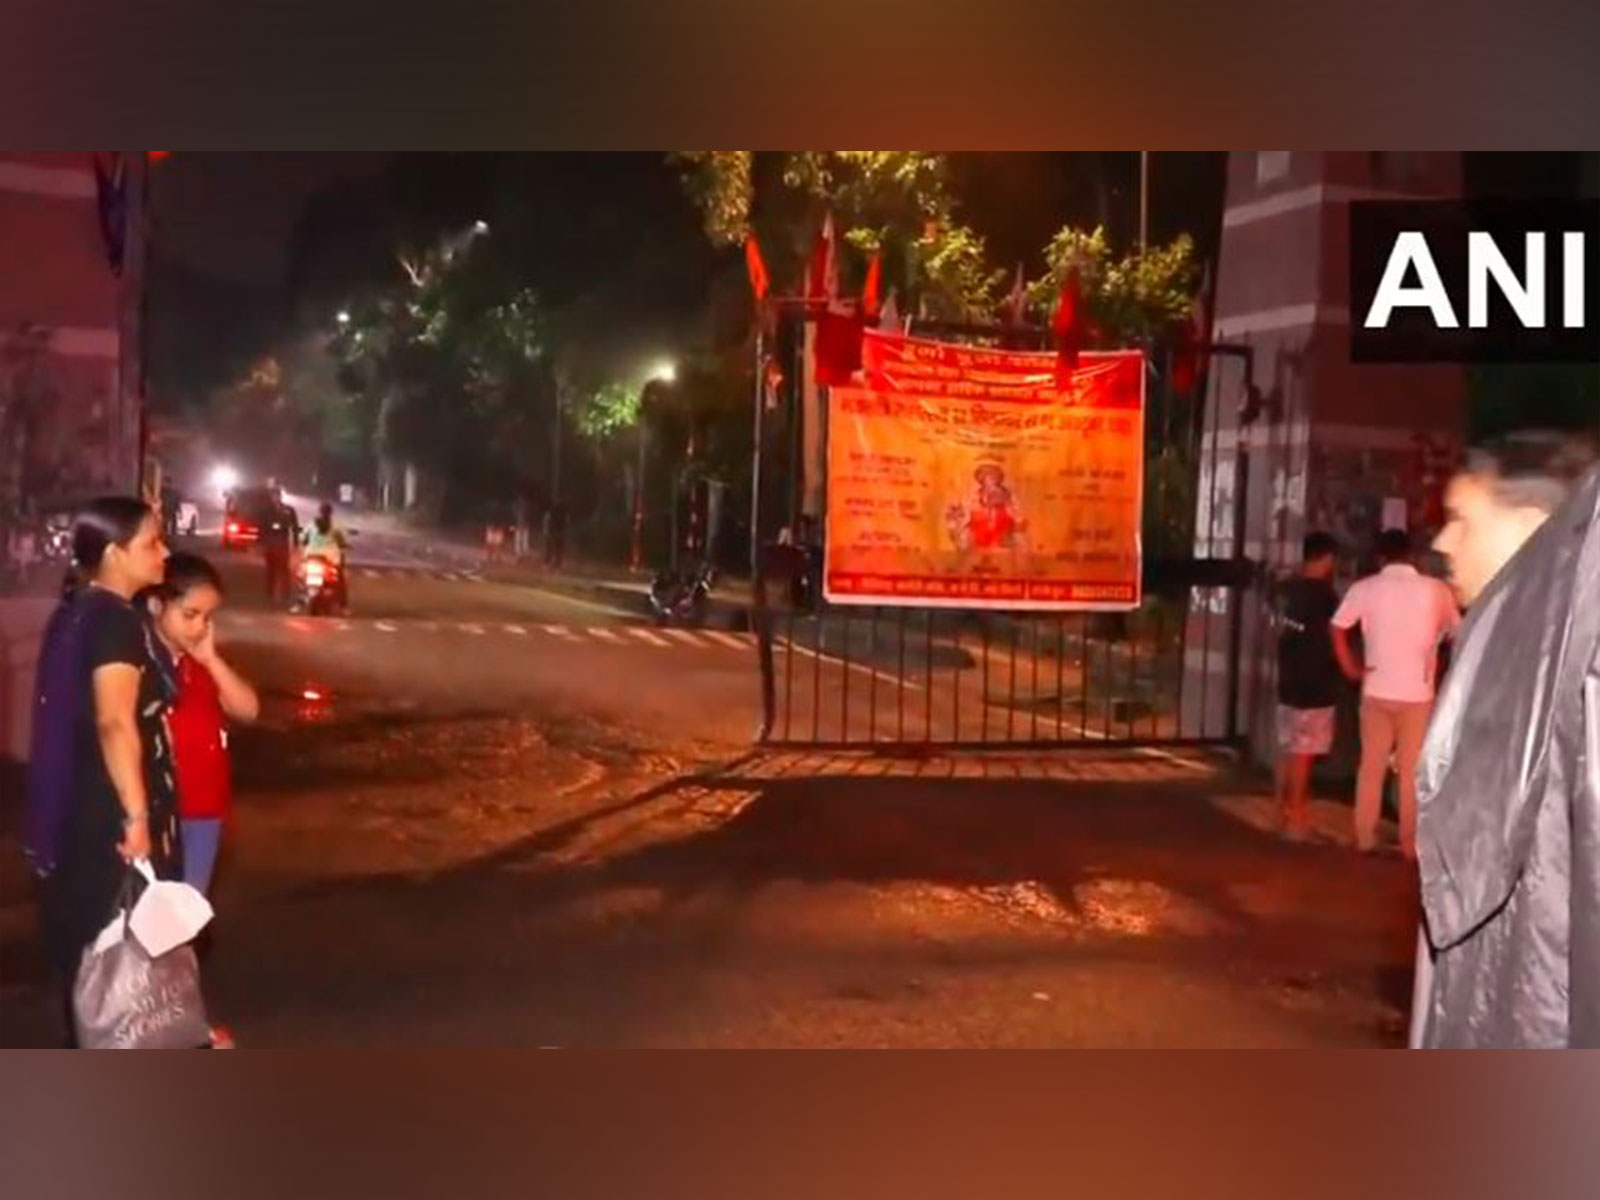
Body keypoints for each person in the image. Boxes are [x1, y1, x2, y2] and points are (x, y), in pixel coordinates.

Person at [1410, 430, 1600, 1048]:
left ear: (1536, 526)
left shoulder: (1578, 673)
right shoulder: (1503, 657)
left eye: (1463, 520)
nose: (1442, 543)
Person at [26, 497, 178, 1046]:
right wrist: (137, 817)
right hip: (108, 816)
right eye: (152, 544)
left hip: (78, 809)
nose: (165, 553)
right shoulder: (114, 621)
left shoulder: (78, 612)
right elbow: (116, 723)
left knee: (91, 966)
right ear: (115, 554)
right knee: (114, 965)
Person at [1330, 528, 1460, 859]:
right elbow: (1456, 633)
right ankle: (1408, 843)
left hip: (1376, 688)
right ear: (1413, 556)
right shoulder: (1436, 590)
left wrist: (1350, 668)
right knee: (1410, 771)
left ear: (1379, 557)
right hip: (1418, 693)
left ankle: (1364, 837)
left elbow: (1337, 627)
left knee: (1371, 767)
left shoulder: (1365, 588)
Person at [143, 553, 260, 897]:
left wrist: (210, 659)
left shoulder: (201, 665)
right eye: (189, 615)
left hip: (204, 812)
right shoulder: (141, 663)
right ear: (156, 606)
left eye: (207, 617)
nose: (198, 627)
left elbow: (248, 709)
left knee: (186, 914)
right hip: (159, 814)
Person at [1273, 532, 1342, 841]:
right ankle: (1297, 820)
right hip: (1314, 683)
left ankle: (1283, 812)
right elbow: (1334, 636)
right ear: (1327, 559)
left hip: (1288, 679)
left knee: (1288, 749)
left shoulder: (1286, 590)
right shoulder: (1325, 597)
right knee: (1304, 753)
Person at [301, 502, 350, 611]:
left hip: (311, 556)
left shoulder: (311, 524)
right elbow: (343, 541)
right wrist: (345, 545)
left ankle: (299, 601)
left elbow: (303, 538)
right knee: (340, 579)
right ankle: (343, 606)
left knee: (302, 577)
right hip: (330, 557)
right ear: (331, 513)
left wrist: (305, 543)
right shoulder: (336, 526)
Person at [260, 499, 296, 606]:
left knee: (284, 571)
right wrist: (262, 543)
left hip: (282, 546)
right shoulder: (267, 512)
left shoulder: (288, 510)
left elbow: (294, 527)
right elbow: (262, 528)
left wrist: (296, 543)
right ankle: (270, 595)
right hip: (271, 546)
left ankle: (286, 595)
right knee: (271, 571)